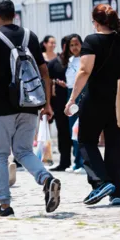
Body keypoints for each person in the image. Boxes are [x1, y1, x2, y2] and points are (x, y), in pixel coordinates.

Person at [0, 0, 61, 217]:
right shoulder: (29, 36)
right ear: (14, 15)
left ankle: (4, 205)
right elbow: (44, 71)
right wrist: (47, 103)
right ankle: (46, 178)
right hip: (29, 103)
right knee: (23, 151)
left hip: (2, 105)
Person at [65, 4, 120, 206]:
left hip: (95, 99)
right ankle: (117, 192)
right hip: (119, 100)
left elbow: (84, 71)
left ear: (95, 21)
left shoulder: (92, 40)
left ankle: (101, 181)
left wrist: (72, 99)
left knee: (85, 140)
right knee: (114, 144)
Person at [61, 34, 85, 173]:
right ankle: (76, 161)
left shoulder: (84, 59)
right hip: (70, 94)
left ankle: (83, 163)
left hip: (80, 94)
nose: (74, 47)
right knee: (72, 130)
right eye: (71, 45)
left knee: (80, 129)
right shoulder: (70, 60)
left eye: (76, 44)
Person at [48, 36, 71, 172]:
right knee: (62, 133)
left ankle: (80, 162)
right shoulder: (54, 63)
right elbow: (47, 83)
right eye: (69, 45)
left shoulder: (79, 61)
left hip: (76, 103)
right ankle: (64, 161)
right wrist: (47, 104)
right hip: (59, 103)